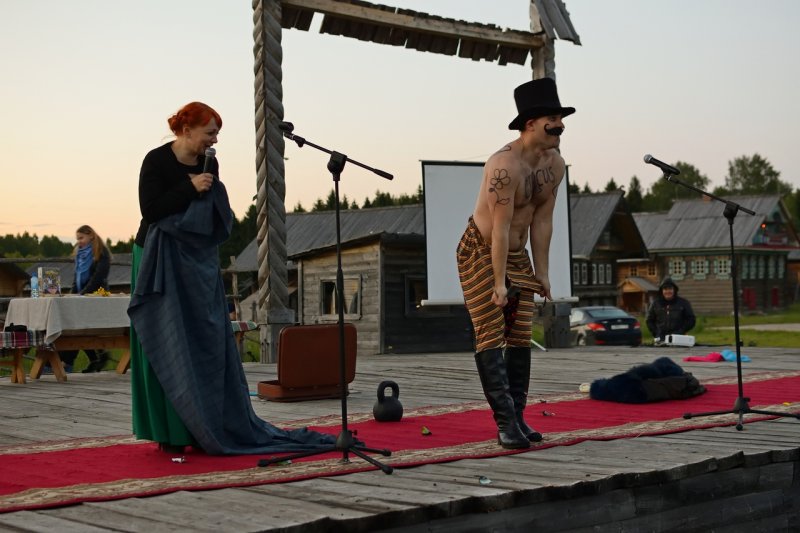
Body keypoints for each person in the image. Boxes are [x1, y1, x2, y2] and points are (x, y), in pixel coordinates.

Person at [128, 101, 335, 455]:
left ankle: (204, 426)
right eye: (210, 133)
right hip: (158, 261)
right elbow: (151, 210)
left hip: (195, 260)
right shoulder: (156, 160)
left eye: (217, 134)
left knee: (202, 340)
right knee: (167, 339)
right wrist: (190, 188)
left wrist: (206, 191)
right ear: (187, 130)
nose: (214, 140)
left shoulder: (210, 163)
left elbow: (209, 211)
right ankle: (170, 431)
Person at [457, 77, 574, 450]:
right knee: (490, 331)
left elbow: (542, 222)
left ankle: (518, 417)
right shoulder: (503, 166)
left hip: (517, 253)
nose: (559, 126)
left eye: (560, 119)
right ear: (530, 124)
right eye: (552, 120)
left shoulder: (555, 165)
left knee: (521, 333)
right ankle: (505, 423)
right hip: (482, 249)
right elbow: (500, 228)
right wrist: (498, 282)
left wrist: (543, 273)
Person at [58, 225, 112, 373]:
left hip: (97, 295)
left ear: (91, 235)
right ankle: (97, 358)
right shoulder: (80, 255)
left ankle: (67, 362)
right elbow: (77, 277)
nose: (79, 241)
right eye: (77, 239)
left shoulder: (101, 252)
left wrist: (82, 294)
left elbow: (98, 277)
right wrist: (72, 294)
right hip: (83, 296)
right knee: (79, 327)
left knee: (81, 327)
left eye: (81, 238)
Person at [646, 277, 696, 341]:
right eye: (665, 289)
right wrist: (656, 332)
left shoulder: (683, 303)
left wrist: (682, 330)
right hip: (660, 339)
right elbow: (649, 320)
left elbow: (691, 319)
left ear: (674, 290)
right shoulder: (655, 304)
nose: (668, 291)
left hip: (679, 338)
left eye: (670, 289)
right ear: (662, 291)